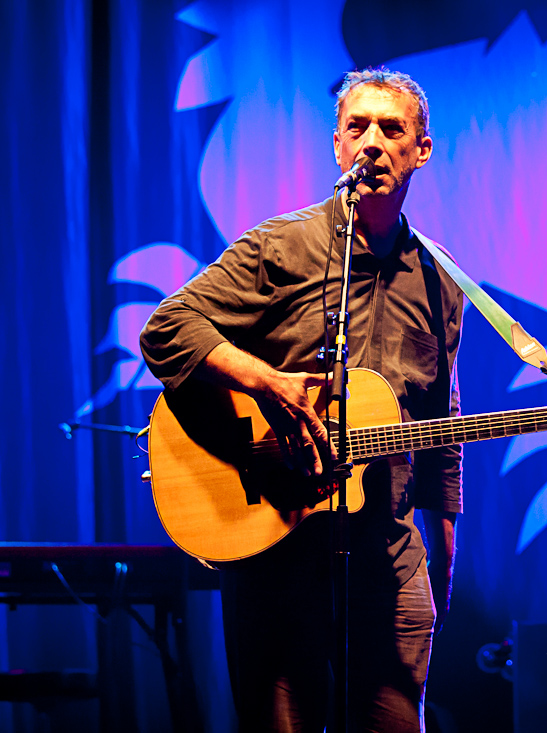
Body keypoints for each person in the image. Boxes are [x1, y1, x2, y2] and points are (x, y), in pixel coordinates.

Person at [140, 67, 462, 733]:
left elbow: (441, 425)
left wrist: (443, 549)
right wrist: (266, 381)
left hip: (389, 558)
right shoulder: (282, 247)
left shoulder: (441, 281)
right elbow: (166, 329)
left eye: (391, 128)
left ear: (420, 150)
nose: (372, 142)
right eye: (357, 127)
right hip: (277, 547)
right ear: (337, 146)